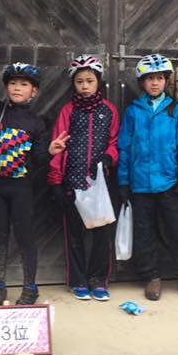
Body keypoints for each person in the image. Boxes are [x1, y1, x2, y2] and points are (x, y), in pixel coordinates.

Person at [0, 52, 68, 306]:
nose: (17, 88)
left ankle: (30, 287)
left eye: (24, 84)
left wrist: (51, 152)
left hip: (20, 188)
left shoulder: (36, 123)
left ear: (34, 92)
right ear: (6, 87)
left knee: (25, 236)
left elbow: (38, 159)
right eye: (13, 83)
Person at [118, 54, 178, 301]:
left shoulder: (175, 110)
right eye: (150, 79)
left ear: (166, 81)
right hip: (140, 184)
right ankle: (151, 277)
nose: (155, 83)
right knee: (144, 233)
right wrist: (123, 181)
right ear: (142, 83)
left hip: (169, 183)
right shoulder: (133, 112)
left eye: (159, 78)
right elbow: (124, 147)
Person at [48, 56, 120, 301]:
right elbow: (58, 145)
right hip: (72, 181)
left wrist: (110, 157)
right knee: (74, 235)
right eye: (80, 81)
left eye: (90, 81)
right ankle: (78, 280)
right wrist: (56, 181)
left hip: (100, 183)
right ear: (73, 84)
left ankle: (99, 280)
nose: (85, 86)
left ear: (98, 82)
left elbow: (114, 141)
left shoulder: (108, 110)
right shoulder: (68, 111)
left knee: (102, 234)